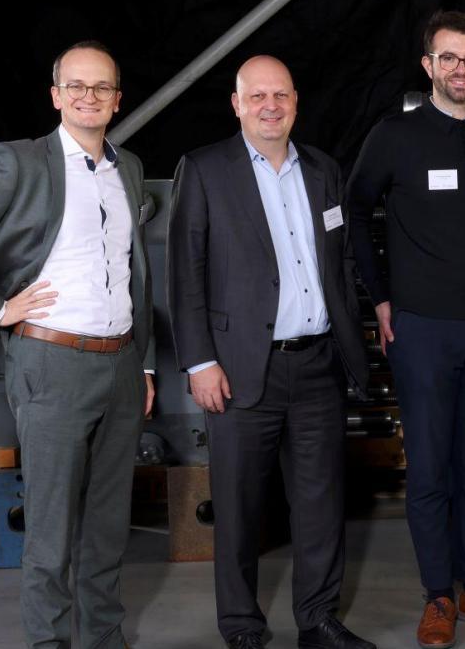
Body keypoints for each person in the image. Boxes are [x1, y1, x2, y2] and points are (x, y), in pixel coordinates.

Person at [0, 40, 155, 649]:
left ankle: (104, 640)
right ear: (55, 96)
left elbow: (132, 270)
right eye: (76, 86)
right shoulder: (20, 163)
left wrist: (145, 363)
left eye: (101, 87)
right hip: (52, 363)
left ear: (117, 99)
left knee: (106, 527)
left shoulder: (124, 168)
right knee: (50, 530)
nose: (89, 97)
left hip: (123, 364)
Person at [345, 10, 465, 649]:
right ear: (428, 65)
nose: (462, 68)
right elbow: (354, 209)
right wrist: (378, 298)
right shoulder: (394, 136)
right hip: (420, 331)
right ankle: (438, 596)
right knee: (430, 469)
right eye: (449, 57)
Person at [167, 55, 375, 649]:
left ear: (295, 101)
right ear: (236, 104)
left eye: (279, 94)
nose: (269, 105)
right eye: (256, 95)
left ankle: (318, 620)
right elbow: (186, 272)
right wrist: (200, 361)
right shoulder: (204, 170)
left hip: (318, 365)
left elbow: (339, 265)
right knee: (238, 507)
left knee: (321, 504)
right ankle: (241, 626)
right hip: (236, 369)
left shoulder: (323, 170)